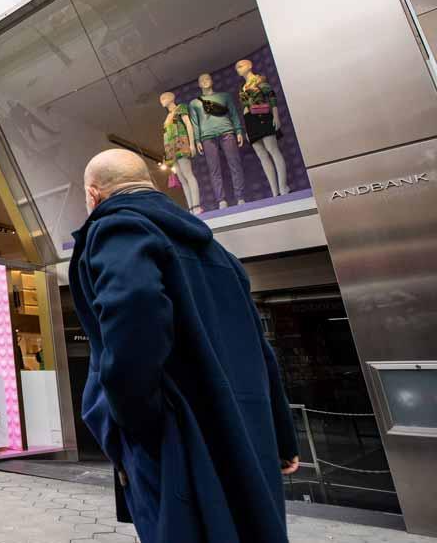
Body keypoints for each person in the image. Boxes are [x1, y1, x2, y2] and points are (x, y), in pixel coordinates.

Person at [69, 149, 300, 542]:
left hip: (178, 435)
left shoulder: (117, 229)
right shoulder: (217, 252)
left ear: (93, 194)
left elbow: (133, 315)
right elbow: (259, 345)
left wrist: (136, 425)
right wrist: (280, 433)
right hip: (243, 431)